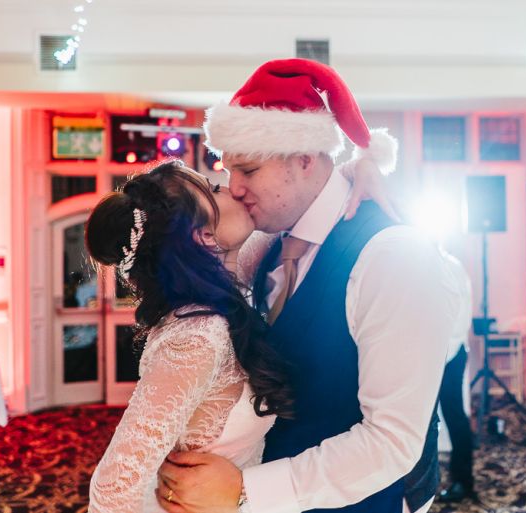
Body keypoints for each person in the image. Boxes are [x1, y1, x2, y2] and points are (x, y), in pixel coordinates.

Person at [156, 58, 460, 513]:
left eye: (249, 170)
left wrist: (245, 491)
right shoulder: (270, 243)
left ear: (303, 158)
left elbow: (393, 441)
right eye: (229, 170)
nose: (232, 187)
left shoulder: (393, 255)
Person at [85, 157, 394, 512]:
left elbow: (306, 199)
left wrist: (363, 168)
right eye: (215, 190)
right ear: (203, 236)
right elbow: (112, 487)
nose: (233, 189)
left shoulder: (235, 275)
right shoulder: (196, 336)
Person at [436, 252, 476, 503]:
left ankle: (463, 480)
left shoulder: (451, 265)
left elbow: (460, 317)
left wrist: (441, 352)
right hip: (433, 351)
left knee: (453, 414)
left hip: (449, 352)